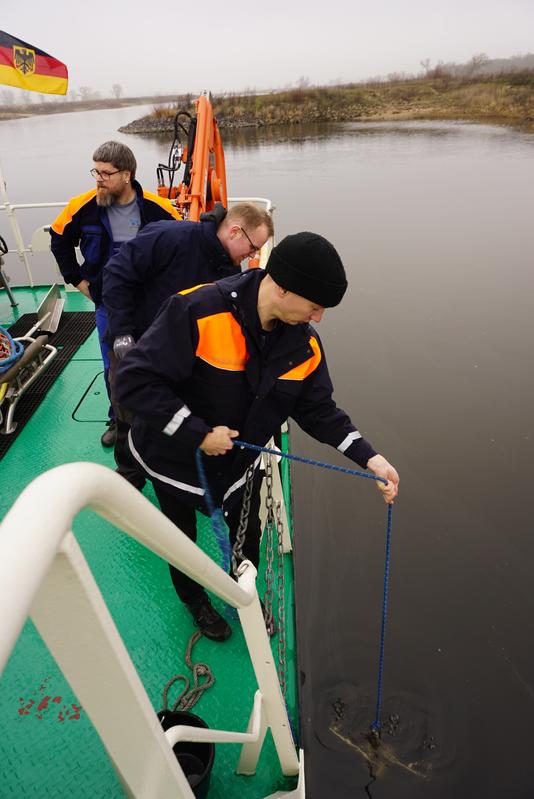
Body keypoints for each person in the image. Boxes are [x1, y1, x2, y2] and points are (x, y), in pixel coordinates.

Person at [115, 232, 400, 642]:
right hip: (173, 462)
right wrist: (198, 434)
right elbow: (134, 381)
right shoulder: (196, 310)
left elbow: (319, 411)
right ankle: (195, 600)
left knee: (248, 536)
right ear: (282, 287)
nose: (319, 318)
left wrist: (371, 459)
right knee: (182, 542)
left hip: (240, 470)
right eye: (315, 307)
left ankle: (241, 596)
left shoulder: (304, 347)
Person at [102, 202, 274, 488]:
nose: (253, 256)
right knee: (129, 410)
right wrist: (122, 333)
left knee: (170, 408)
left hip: (180, 355)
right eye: (253, 248)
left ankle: (176, 474)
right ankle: (129, 475)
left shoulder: (229, 271)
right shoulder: (170, 237)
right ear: (235, 231)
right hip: (136, 344)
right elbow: (116, 274)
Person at [50, 140, 181, 447]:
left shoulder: (158, 209)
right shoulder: (81, 207)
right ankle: (120, 422)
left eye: (106, 173)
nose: (99, 179)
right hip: (108, 303)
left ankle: (162, 416)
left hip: (152, 302)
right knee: (114, 363)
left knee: (160, 358)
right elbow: (58, 239)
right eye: (95, 171)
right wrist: (80, 283)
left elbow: (184, 246)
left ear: (127, 174)